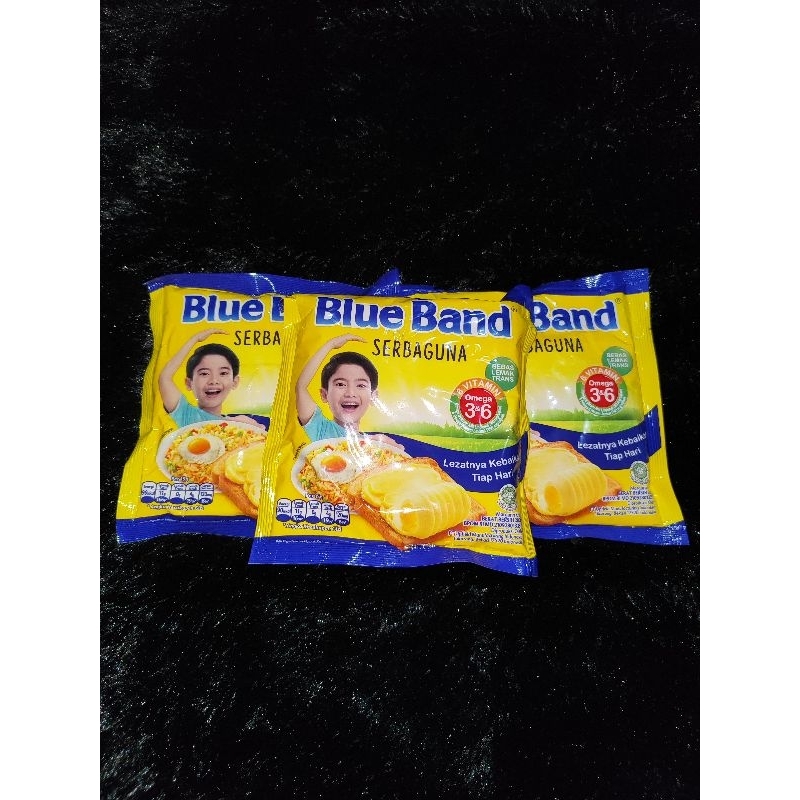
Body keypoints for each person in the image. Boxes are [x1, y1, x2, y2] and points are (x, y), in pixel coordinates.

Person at [296, 333, 400, 447]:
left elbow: (402, 454)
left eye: (360, 385)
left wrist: (389, 448)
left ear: (373, 396)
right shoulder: (321, 428)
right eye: (341, 384)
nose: (350, 393)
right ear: (324, 395)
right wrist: (331, 344)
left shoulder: (375, 443)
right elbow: (301, 387)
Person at [158, 328, 265, 428]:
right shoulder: (186, 414)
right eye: (204, 374)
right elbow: (164, 378)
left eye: (223, 373)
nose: (214, 381)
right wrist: (195, 339)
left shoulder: (242, 424)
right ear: (189, 383)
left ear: (235, 382)